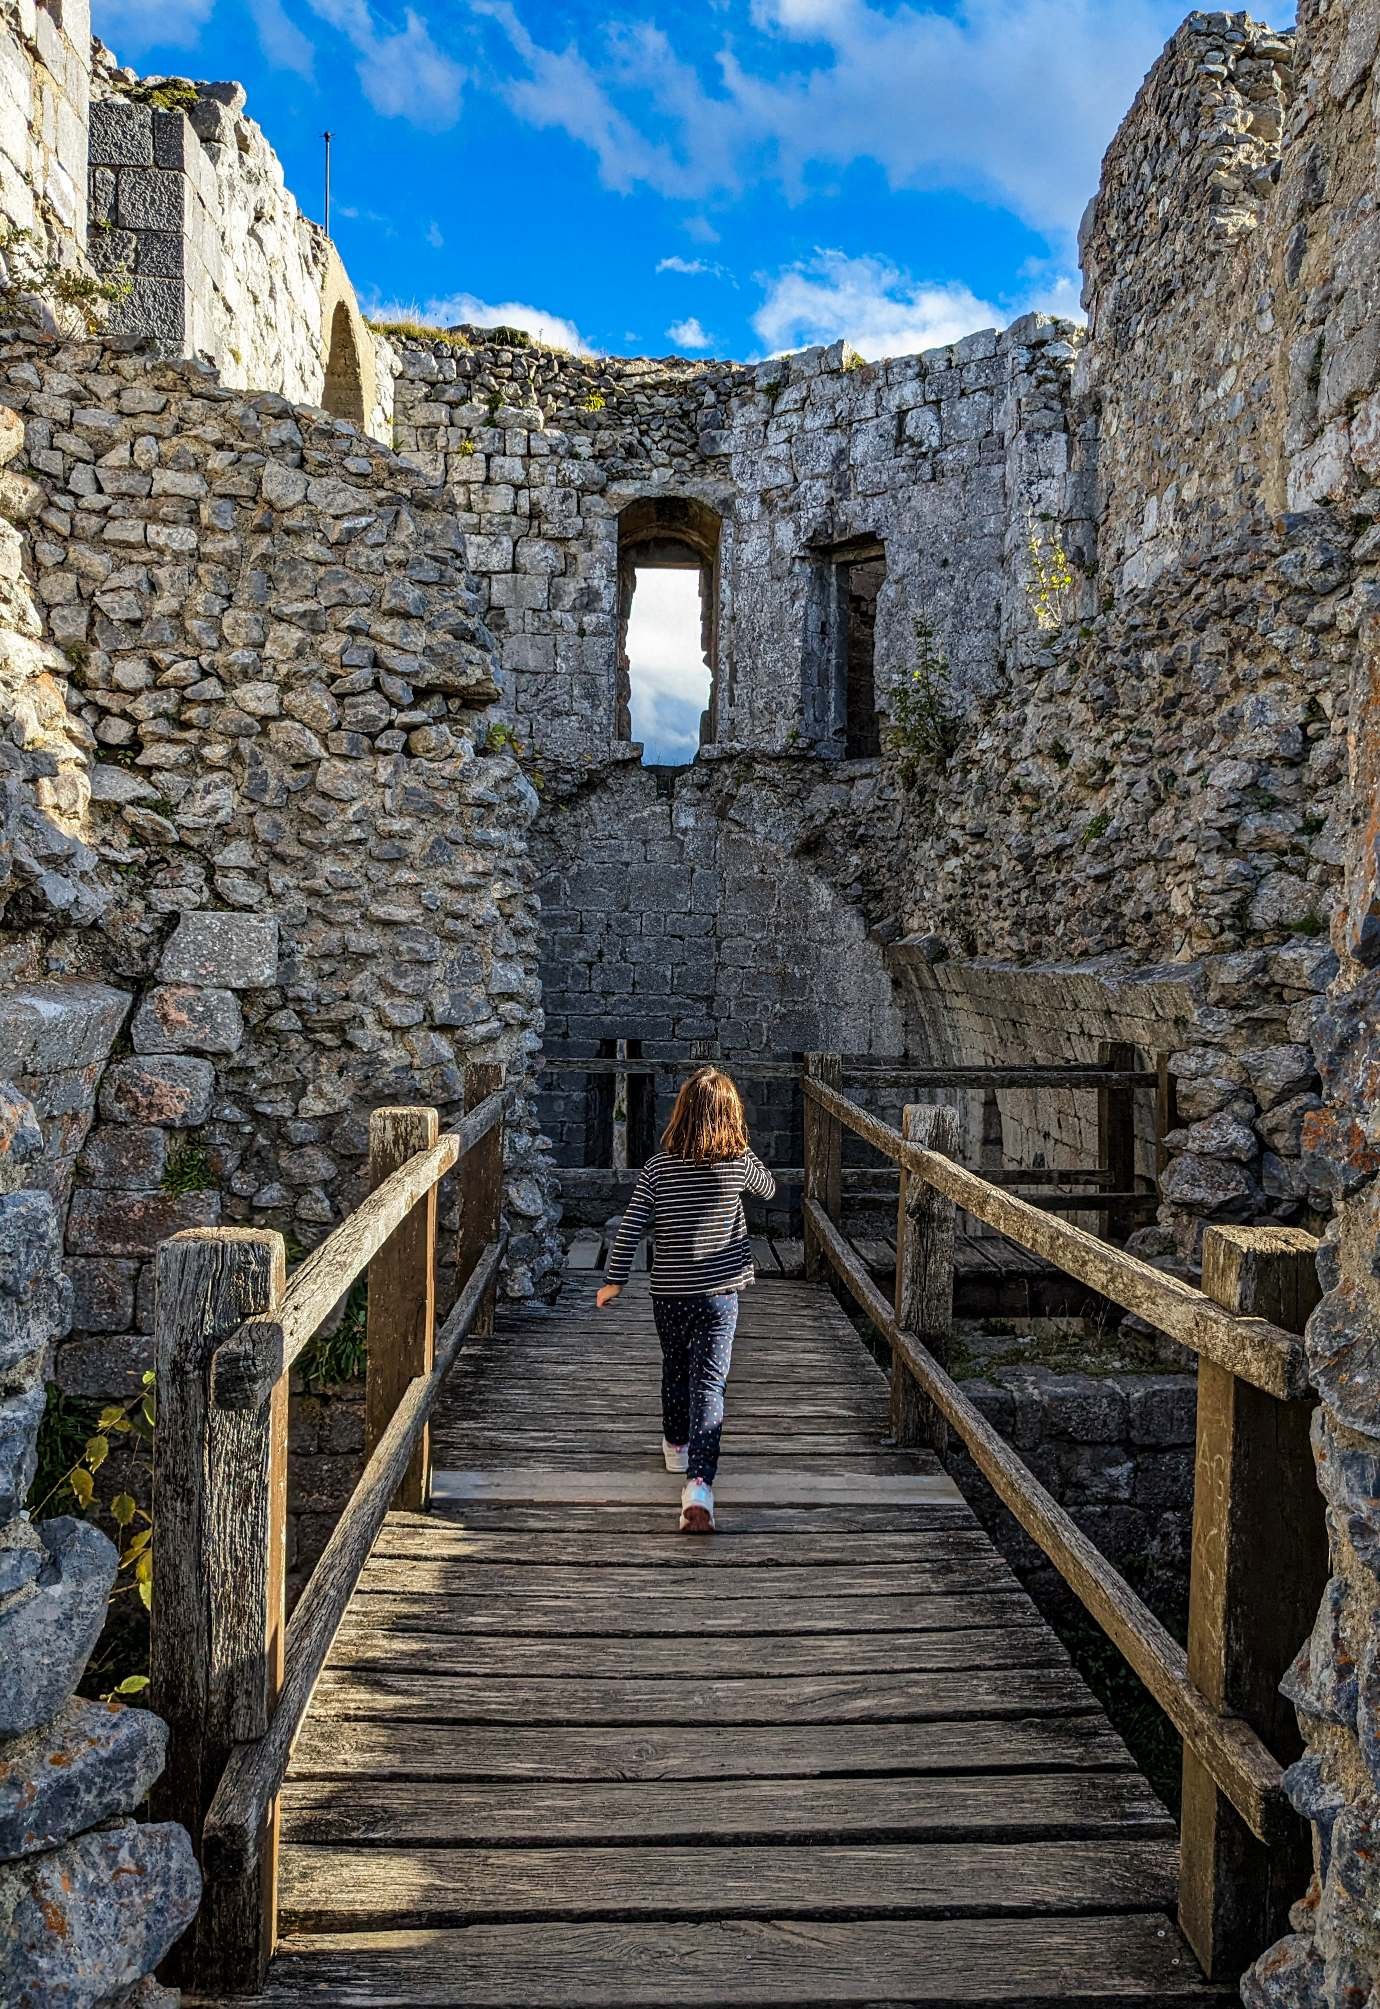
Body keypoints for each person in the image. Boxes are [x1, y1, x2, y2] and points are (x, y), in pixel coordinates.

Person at [596, 1066, 776, 1533]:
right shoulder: (736, 1164)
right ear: (731, 1117)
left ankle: (676, 1445)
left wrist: (615, 1281)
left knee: (675, 1367)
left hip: (670, 1294)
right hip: (719, 1294)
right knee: (709, 1384)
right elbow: (768, 1188)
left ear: (681, 1113)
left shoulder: (658, 1168)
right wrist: (742, 1148)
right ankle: (698, 1485)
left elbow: (631, 1226)